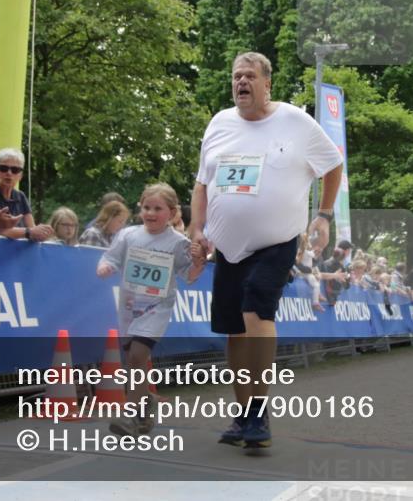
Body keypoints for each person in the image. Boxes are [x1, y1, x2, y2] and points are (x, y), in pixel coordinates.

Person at [189, 51, 343, 449]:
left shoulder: (294, 121)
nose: (241, 82)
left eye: (249, 76)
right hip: (228, 248)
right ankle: (244, 417)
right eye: (236, 76)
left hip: (277, 241)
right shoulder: (219, 124)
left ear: (266, 83)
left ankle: (259, 411)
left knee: (255, 309)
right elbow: (203, 184)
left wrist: (323, 215)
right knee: (234, 331)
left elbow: (333, 164)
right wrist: (197, 230)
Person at [98, 183, 206, 436]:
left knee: (137, 356)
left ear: (172, 212)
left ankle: (129, 415)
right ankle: (146, 400)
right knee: (132, 362)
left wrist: (199, 263)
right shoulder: (128, 235)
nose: (151, 213)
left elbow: (188, 275)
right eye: (146, 207)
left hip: (157, 307)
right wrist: (105, 267)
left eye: (158, 208)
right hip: (128, 306)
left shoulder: (178, 242)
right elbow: (110, 257)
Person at [0, 148, 53, 241]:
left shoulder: (21, 196)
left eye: (15, 170)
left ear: (21, 176)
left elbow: (32, 228)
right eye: (3, 168)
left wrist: (42, 232)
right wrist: (28, 232)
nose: (9, 173)